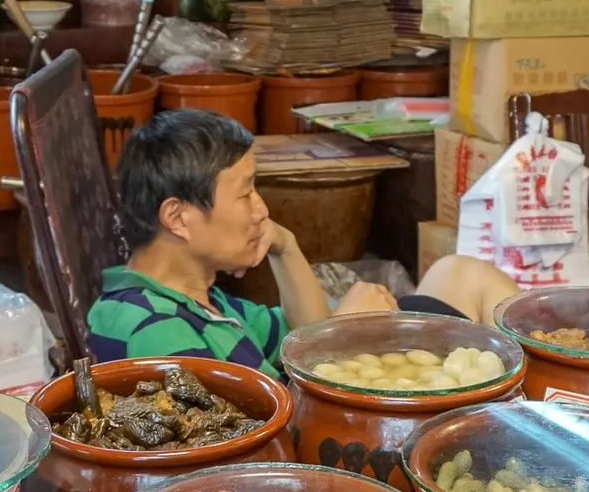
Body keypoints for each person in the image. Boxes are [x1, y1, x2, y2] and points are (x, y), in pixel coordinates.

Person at [87, 109, 519, 375]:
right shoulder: (149, 326)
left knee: (459, 272)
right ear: (178, 217)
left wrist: (284, 245)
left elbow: (301, 331)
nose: (260, 210)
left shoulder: (206, 302)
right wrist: (342, 335)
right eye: (245, 193)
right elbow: (270, 432)